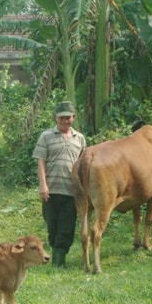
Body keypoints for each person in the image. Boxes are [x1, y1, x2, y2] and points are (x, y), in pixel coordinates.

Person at [32, 101, 86, 267]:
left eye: (68, 118)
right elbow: (41, 162)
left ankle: (58, 262)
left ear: (73, 118)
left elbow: (83, 165)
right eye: (61, 118)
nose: (65, 121)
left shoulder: (80, 139)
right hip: (51, 190)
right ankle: (55, 256)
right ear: (55, 118)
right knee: (52, 225)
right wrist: (43, 185)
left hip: (71, 191)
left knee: (66, 227)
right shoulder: (46, 136)